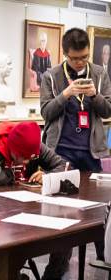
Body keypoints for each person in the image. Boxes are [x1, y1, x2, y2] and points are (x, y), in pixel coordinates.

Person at [40, 27, 111, 268]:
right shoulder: (51, 75)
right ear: (64, 54)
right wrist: (66, 93)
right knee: (62, 215)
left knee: (101, 212)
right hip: (61, 153)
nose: (80, 62)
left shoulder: (100, 74)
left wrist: (95, 96)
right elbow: (46, 112)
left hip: (91, 153)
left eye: (84, 57)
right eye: (75, 58)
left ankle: (106, 260)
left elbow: (108, 110)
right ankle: (57, 268)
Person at [0, 121, 71, 280]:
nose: (26, 162)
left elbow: (62, 165)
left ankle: (51, 276)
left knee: (65, 234)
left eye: (31, 158)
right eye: (22, 157)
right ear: (12, 148)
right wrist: (9, 175)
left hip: (26, 208)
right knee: (12, 242)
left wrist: (46, 174)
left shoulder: (34, 146)